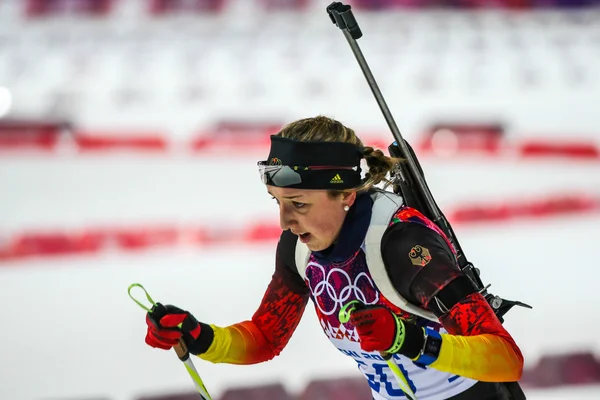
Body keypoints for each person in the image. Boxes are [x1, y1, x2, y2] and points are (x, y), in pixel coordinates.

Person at [144, 116, 524, 400]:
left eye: (299, 204)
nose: (285, 221)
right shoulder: (299, 248)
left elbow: (505, 357)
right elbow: (264, 337)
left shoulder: (401, 245)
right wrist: (199, 336)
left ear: (346, 195)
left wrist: (408, 339)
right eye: (277, 202)